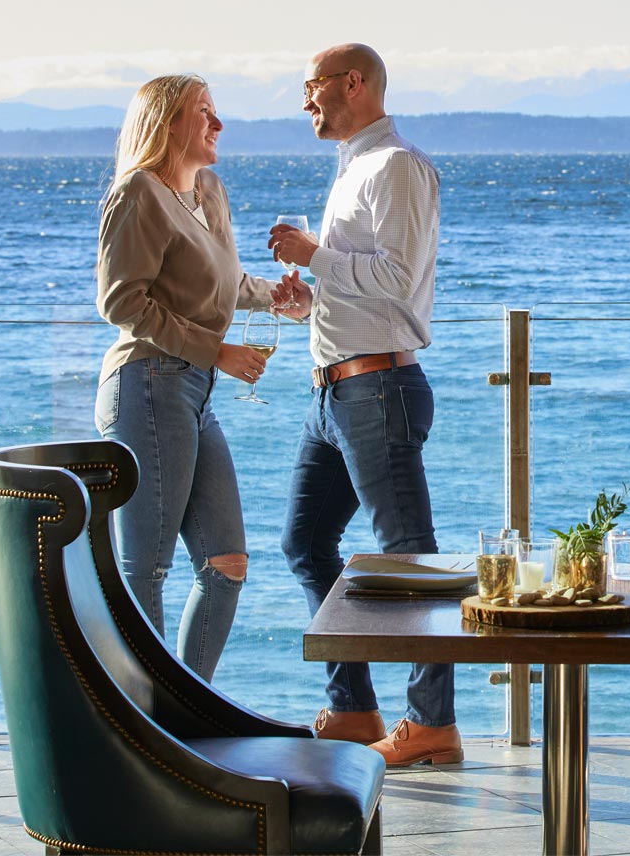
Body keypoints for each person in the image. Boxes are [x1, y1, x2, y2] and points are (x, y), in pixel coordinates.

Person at [270, 42, 461, 767]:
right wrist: (309, 305)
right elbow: (366, 293)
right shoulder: (352, 167)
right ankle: (353, 709)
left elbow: (397, 279)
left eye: (313, 87)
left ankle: (433, 723)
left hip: (377, 389)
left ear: (354, 83)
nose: (306, 102)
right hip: (336, 389)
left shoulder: (397, 167)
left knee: (409, 557)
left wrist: (313, 254)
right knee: (305, 544)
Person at [95, 73, 274, 681]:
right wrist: (216, 350)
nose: (219, 124)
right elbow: (121, 303)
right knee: (145, 569)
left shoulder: (210, 191)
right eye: (204, 112)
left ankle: (186, 707)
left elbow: (221, 286)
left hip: (194, 391)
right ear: (167, 122)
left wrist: (278, 296)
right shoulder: (138, 193)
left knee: (227, 563)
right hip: (147, 383)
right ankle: (143, 722)